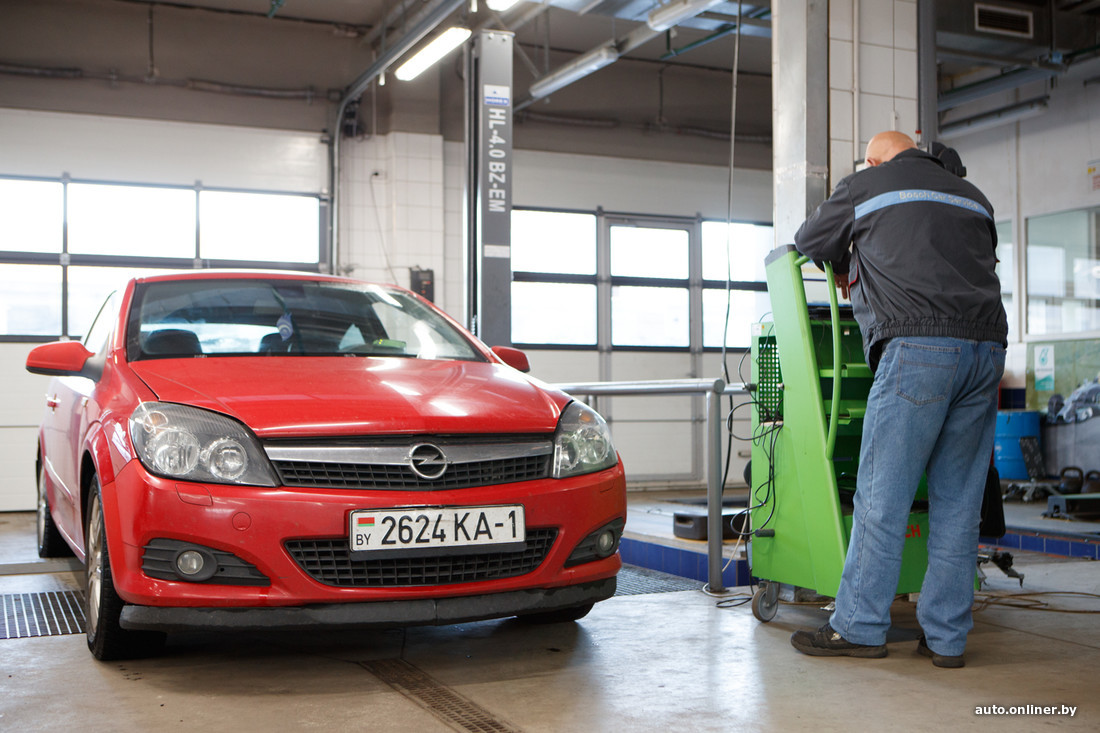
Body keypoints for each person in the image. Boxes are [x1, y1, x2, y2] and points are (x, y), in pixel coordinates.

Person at [789, 130, 1008, 668]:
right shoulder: (975, 197)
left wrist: (847, 263)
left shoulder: (866, 185)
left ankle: (859, 626)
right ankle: (946, 639)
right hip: (986, 353)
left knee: (882, 498)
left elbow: (808, 239)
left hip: (918, 350)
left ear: (873, 160)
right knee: (959, 506)